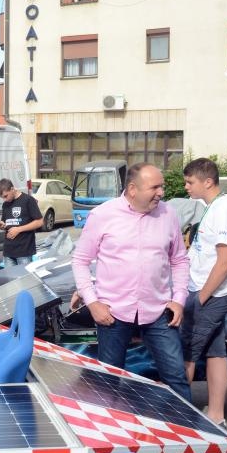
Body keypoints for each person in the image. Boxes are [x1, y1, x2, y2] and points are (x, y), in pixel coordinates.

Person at [71, 162, 191, 401]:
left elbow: (179, 260)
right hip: (112, 312)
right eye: (155, 187)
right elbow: (80, 260)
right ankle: (111, 433)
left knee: (176, 376)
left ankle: (191, 435)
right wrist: (93, 302)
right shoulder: (103, 215)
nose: (161, 192)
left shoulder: (168, 214)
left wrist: (179, 300)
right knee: (109, 379)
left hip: (158, 311)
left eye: (162, 186)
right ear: (133, 189)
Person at [182, 158, 227, 427]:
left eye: (190, 182)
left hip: (212, 295)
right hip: (208, 292)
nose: (186, 187)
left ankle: (175, 416)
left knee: (185, 352)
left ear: (208, 182)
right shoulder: (213, 208)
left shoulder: (224, 212)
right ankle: (216, 415)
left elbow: (224, 262)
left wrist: (201, 298)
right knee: (215, 352)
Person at [0, 178, 44, 268]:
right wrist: (2, 225)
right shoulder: (6, 204)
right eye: (2, 197)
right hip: (8, 251)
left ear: (12, 189)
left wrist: (19, 229)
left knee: (23, 280)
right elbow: (7, 223)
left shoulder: (28, 200)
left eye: (6, 196)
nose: (4, 199)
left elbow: (39, 222)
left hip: (24, 251)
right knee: (10, 281)